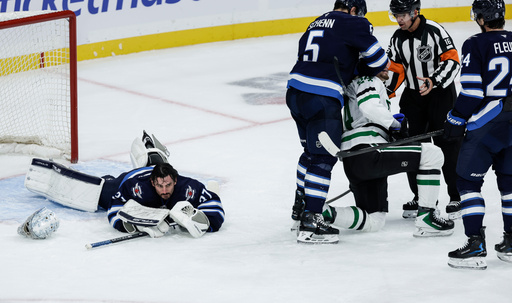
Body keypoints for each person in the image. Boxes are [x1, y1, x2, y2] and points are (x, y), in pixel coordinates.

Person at [287, 0, 388, 244]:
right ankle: (312, 221)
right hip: (321, 98)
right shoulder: (353, 22)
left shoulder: (315, 22)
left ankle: (300, 209)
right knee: (323, 158)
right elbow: (378, 61)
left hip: (294, 93)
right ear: (354, 10)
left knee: (309, 154)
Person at [321, 68, 454, 237]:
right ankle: (427, 218)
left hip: (354, 160)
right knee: (432, 154)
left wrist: (390, 132)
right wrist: (395, 125)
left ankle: (320, 211)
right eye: (381, 62)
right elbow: (369, 106)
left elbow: (366, 117)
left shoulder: (352, 85)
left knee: (374, 220)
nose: (387, 66)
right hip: (368, 150)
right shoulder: (367, 80)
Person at [24, 131, 225, 239]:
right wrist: (132, 226)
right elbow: (113, 211)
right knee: (102, 191)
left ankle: (151, 152)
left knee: (159, 168)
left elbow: (216, 207)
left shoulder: (188, 187)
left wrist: (204, 222)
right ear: (152, 183)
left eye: (169, 186)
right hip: (124, 181)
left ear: (176, 181)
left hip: (154, 172)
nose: (164, 191)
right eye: (160, 186)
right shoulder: (137, 188)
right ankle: (140, 161)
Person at [445, 0, 512, 270]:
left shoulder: (475, 43)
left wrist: (455, 117)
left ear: (481, 19)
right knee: (509, 182)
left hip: (489, 119)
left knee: (466, 182)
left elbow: (472, 91)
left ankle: (475, 243)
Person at [386, 0, 462, 220]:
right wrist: (387, 91)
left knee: (447, 144)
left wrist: (434, 80)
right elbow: (397, 68)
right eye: (395, 15)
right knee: (412, 145)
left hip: (440, 95)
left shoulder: (435, 31)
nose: (399, 20)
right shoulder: (397, 38)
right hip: (413, 98)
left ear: (415, 12)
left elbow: (452, 60)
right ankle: (421, 197)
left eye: (402, 15)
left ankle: (456, 196)